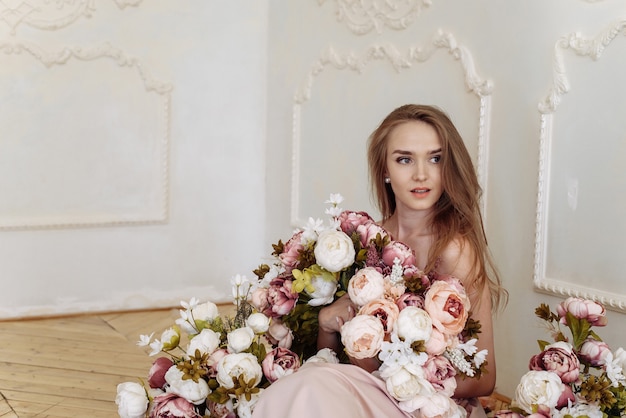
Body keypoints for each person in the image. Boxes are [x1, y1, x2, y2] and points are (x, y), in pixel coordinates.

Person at [251, 104, 508, 418]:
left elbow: (485, 378)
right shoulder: (364, 243)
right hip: (361, 391)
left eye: (435, 158)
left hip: (429, 406)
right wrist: (327, 324)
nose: (421, 174)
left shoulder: (453, 250)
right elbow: (332, 365)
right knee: (306, 386)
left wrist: (400, 376)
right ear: (385, 169)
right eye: (404, 159)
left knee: (311, 389)